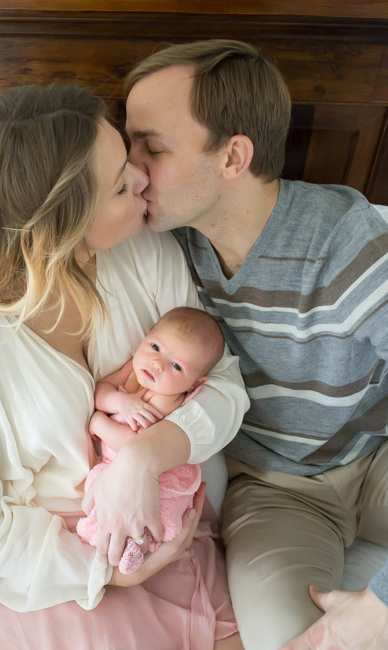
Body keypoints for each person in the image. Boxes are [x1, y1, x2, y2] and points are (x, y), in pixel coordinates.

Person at [0, 83, 248, 649]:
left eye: (130, 157)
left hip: (166, 520)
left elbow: (224, 386)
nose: (143, 177)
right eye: (120, 183)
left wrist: (144, 456)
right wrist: (109, 571)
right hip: (49, 571)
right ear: (60, 229)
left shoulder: (143, 251)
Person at [122, 39, 388, 650]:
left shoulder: (348, 242)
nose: (131, 169)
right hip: (275, 493)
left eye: (152, 148)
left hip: (375, 457)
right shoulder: (161, 248)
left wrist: (377, 605)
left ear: (234, 157)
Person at [77, 306, 224, 575]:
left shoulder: (167, 399)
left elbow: (131, 445)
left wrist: (98, 422)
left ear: (193, 384)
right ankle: (108, 539)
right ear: (147, 335)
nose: (158, 363)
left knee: (154, 514)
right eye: (155, 346)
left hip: (158, 478)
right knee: (98, 489)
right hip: (119, 465)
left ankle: (137, 547)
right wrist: (120, 401)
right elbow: (101, 392)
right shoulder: (135, 369)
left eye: (177, 366)